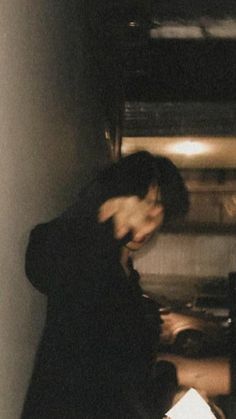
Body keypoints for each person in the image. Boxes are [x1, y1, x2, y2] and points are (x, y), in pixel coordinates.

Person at [21, 151, 189, 419]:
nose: (153, 216)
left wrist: (168, 383)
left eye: (161, 209)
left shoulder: (128, 281)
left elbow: (124, 385)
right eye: (147, 201)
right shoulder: (90, 258)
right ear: (119, 195)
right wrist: (96, 209)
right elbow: (42, 261)